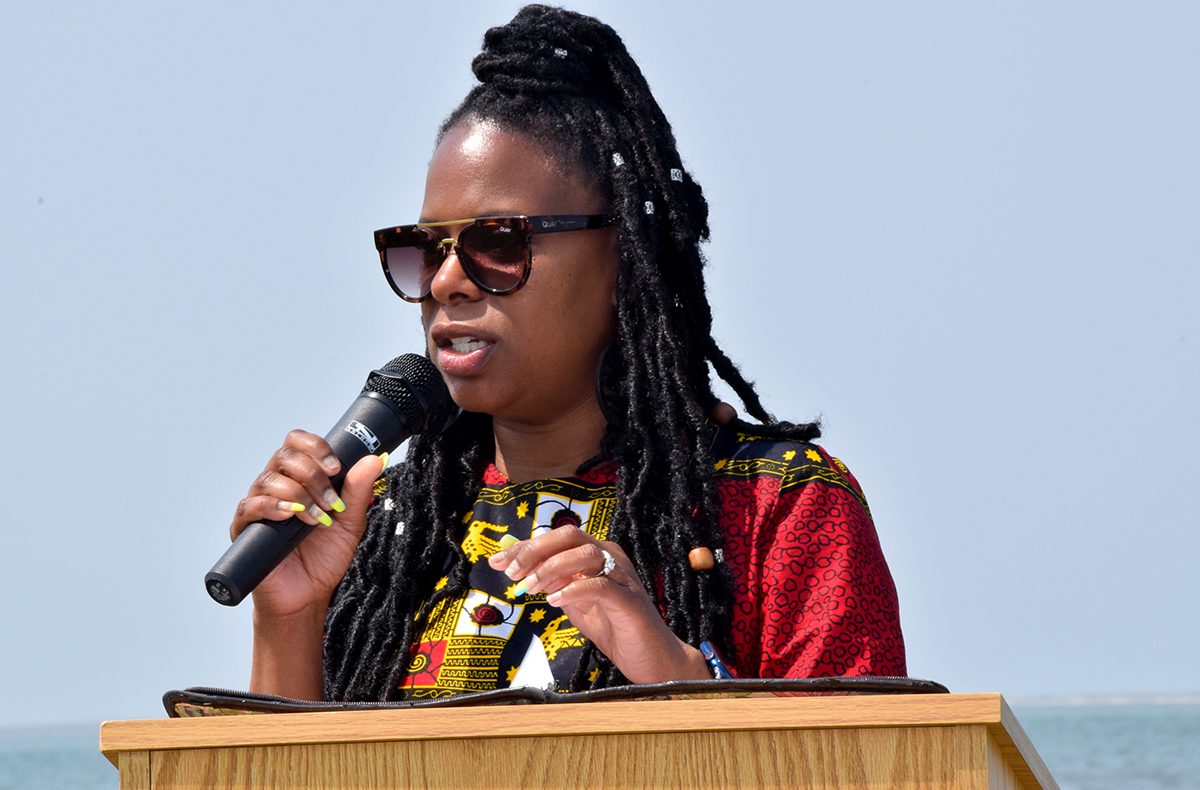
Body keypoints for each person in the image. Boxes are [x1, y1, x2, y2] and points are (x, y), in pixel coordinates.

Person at [230, 5, 905, 702]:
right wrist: (290, 616)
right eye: (423, 250)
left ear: (626, 260)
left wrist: (673, 676)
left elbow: (870, 766)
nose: (446, 281)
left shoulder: (777, 507)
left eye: (499, 242)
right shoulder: (381, 525)